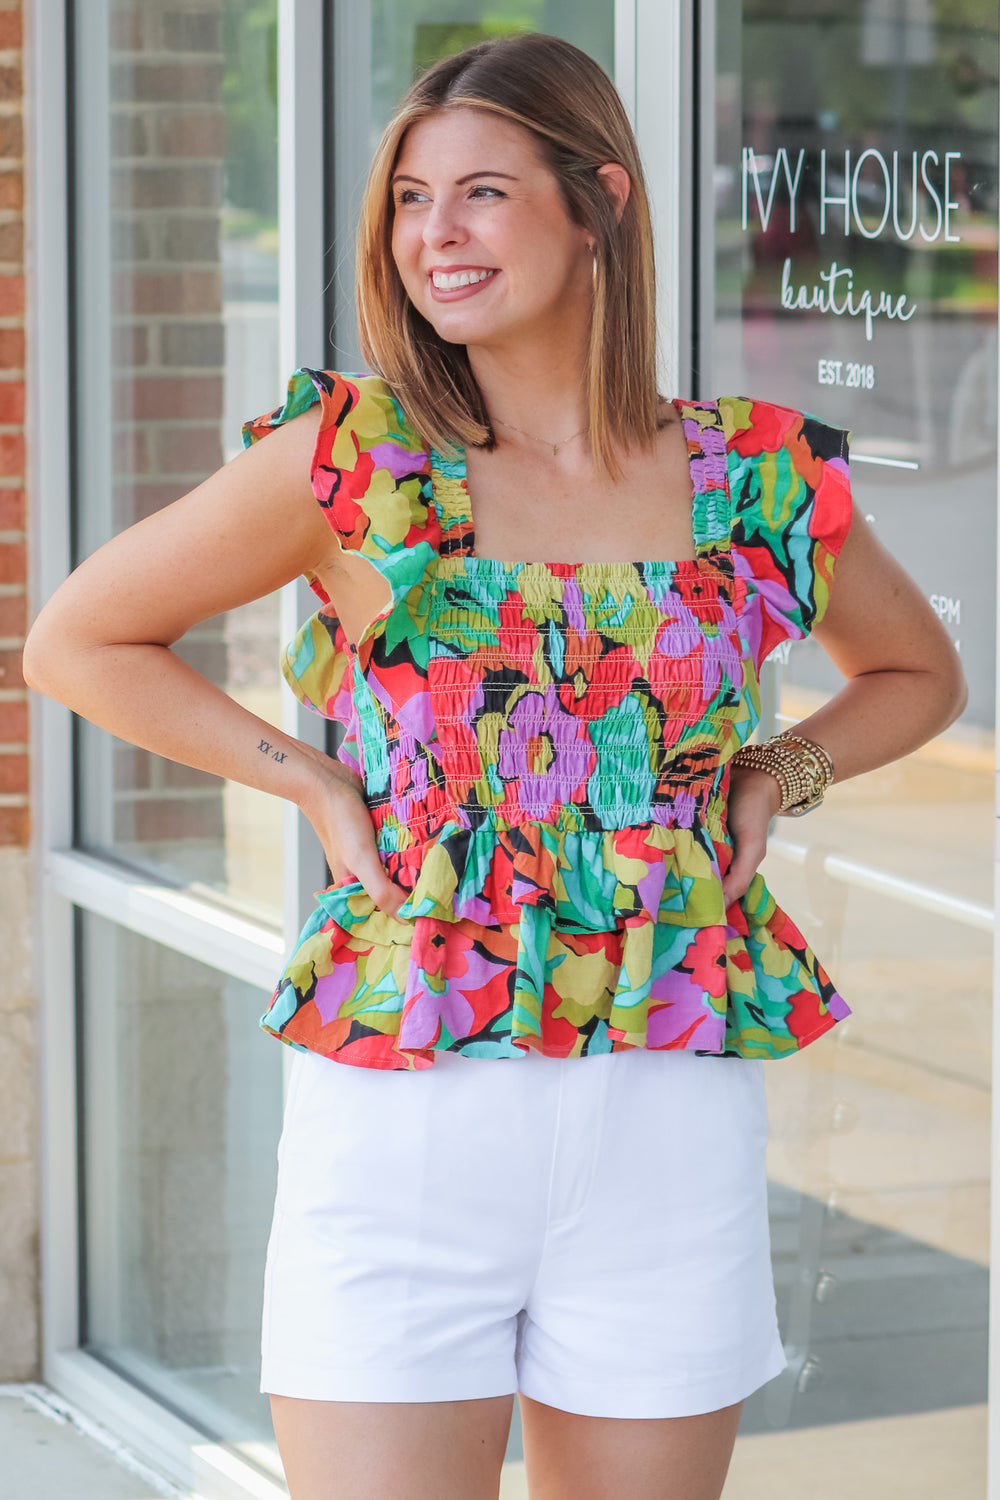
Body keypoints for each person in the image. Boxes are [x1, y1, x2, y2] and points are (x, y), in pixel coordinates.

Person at [23, 31, 965, 1500]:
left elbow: (917, 675)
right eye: (409, 200)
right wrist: (314, 783)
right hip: (405, 1114)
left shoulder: (756, 473)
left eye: (479, 194)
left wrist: (781, 771)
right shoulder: (356, 456)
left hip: (667, 1104)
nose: (432, 237)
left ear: (601, 202)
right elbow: (79, 642)